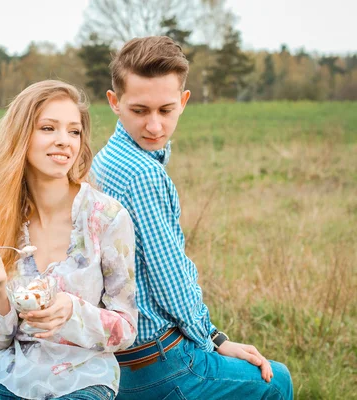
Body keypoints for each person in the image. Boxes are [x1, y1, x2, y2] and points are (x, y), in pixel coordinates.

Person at [91, 36, 294, 400]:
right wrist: (214, 338)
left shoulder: (105, 159)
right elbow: (170, 282)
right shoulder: (142, 175)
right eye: (140, 111)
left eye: (165, 110)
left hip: (115, 355)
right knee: (276, 382)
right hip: (155, 362)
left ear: (183, 102)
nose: (154, 126)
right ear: (114, 102)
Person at [0, 80, 138, 400]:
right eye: (48, 128)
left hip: (82, 375)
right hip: (7, 373)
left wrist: (71, 311)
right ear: (21, 136)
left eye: (74, 131)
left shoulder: (106, 218)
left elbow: (125, 329)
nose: (63, 141)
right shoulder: (3, 217)